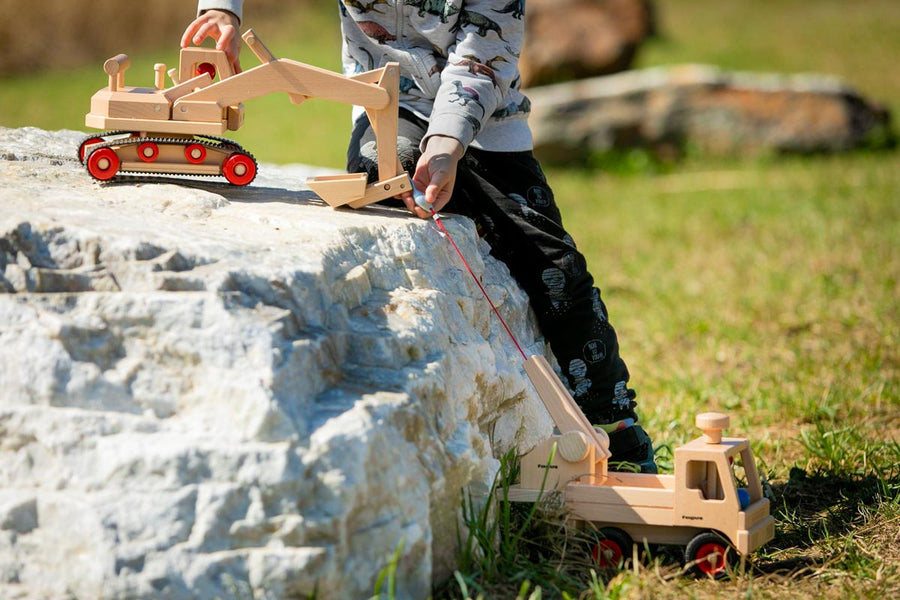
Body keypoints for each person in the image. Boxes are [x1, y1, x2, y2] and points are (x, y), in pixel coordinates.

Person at [183, 1, 657, 473]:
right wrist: (224, 11)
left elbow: (483, 53)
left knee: (558, 270)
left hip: (489, 121)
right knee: (382, 170)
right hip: (393, 108)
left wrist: (449, 141)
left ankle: (616, 425)